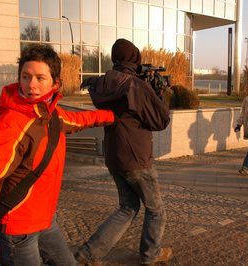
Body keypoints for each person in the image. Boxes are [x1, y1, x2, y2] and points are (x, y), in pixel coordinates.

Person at [0, 44, 115, 266]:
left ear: (55, 83)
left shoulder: (51, 115)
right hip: (18, 231)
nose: (31, 85)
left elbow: (79, 120)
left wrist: (112, 116)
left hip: (45, 220)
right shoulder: (11, 125)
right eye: (26, 77)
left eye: (40, 78)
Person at [75, 39, 172, 265]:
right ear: (134, 58)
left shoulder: (103, 82)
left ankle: (87, 255)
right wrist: (159, 94)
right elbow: (160, 120)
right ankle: (151, 254)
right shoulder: (134, 85)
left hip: (114, 155)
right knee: (156, 209)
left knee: (128, 207)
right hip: (137, 158)